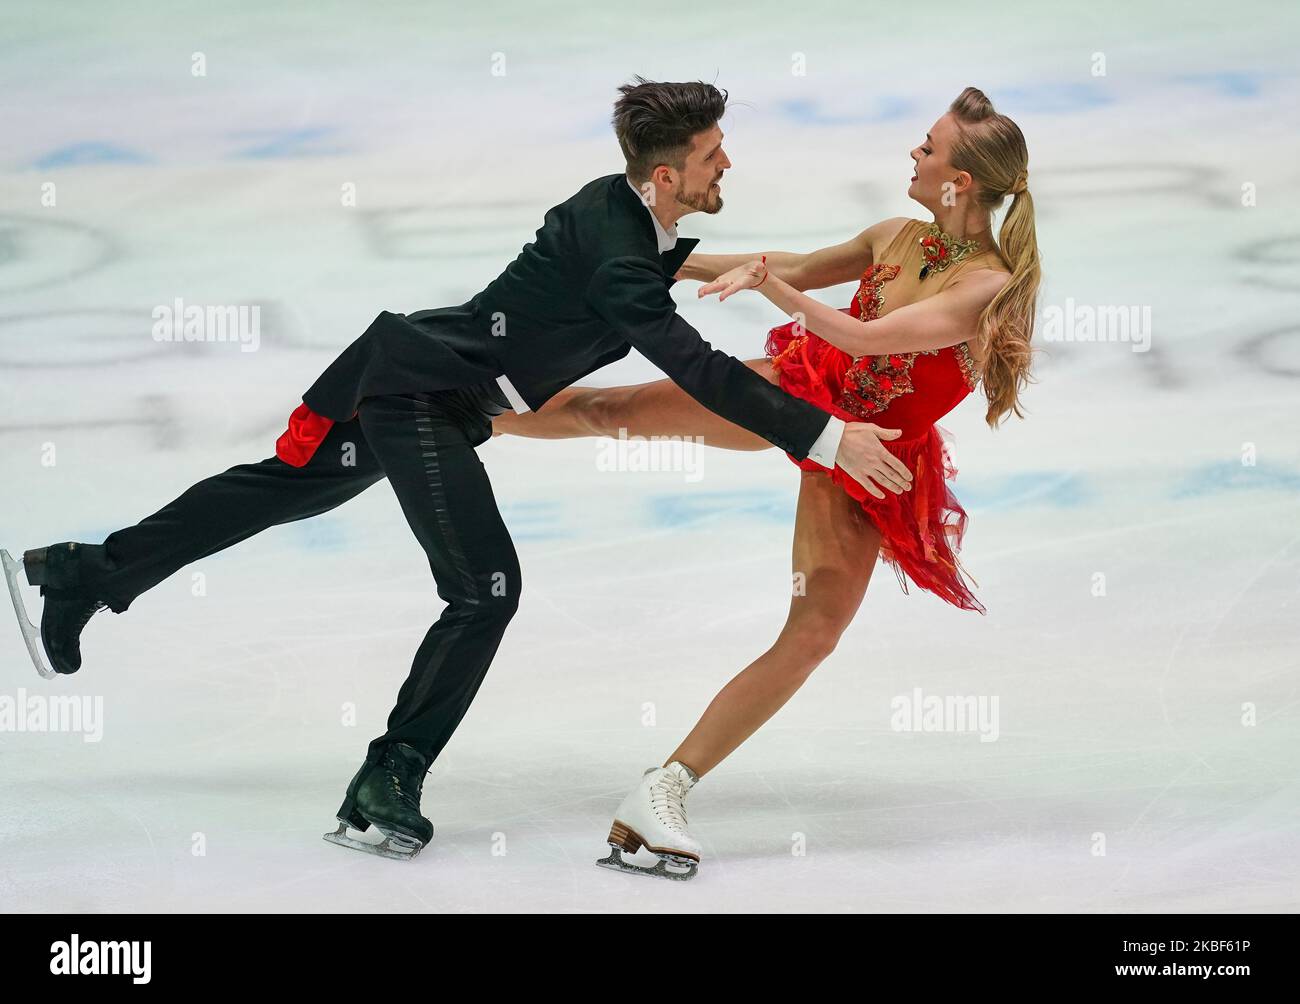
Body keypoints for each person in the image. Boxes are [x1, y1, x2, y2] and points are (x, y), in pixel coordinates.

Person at [1, 77, 903, 862]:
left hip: (438, 391)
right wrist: (823, 436)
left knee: (275, 494)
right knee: (486, 589)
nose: (726, 167)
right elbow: (699, 368)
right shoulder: (621, 253)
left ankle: (89, 571)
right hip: (422, 397)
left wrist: (811, 274)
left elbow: (704, 268)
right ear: (667, 173)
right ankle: (388, 778)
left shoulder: (627, 215)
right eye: (713, 154)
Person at [495, 86, 1041, 879]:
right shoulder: (896, 235)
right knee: (610, 409)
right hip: (802, 389)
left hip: (869, 452)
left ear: (959, 182)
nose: (914, 157)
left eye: (927, 148)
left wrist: (768, 288)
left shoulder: (985, 286)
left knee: (813, 632)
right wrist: (644, 255)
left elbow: (863, 333)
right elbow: (791, 266)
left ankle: (664, 787)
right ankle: (453, 405)